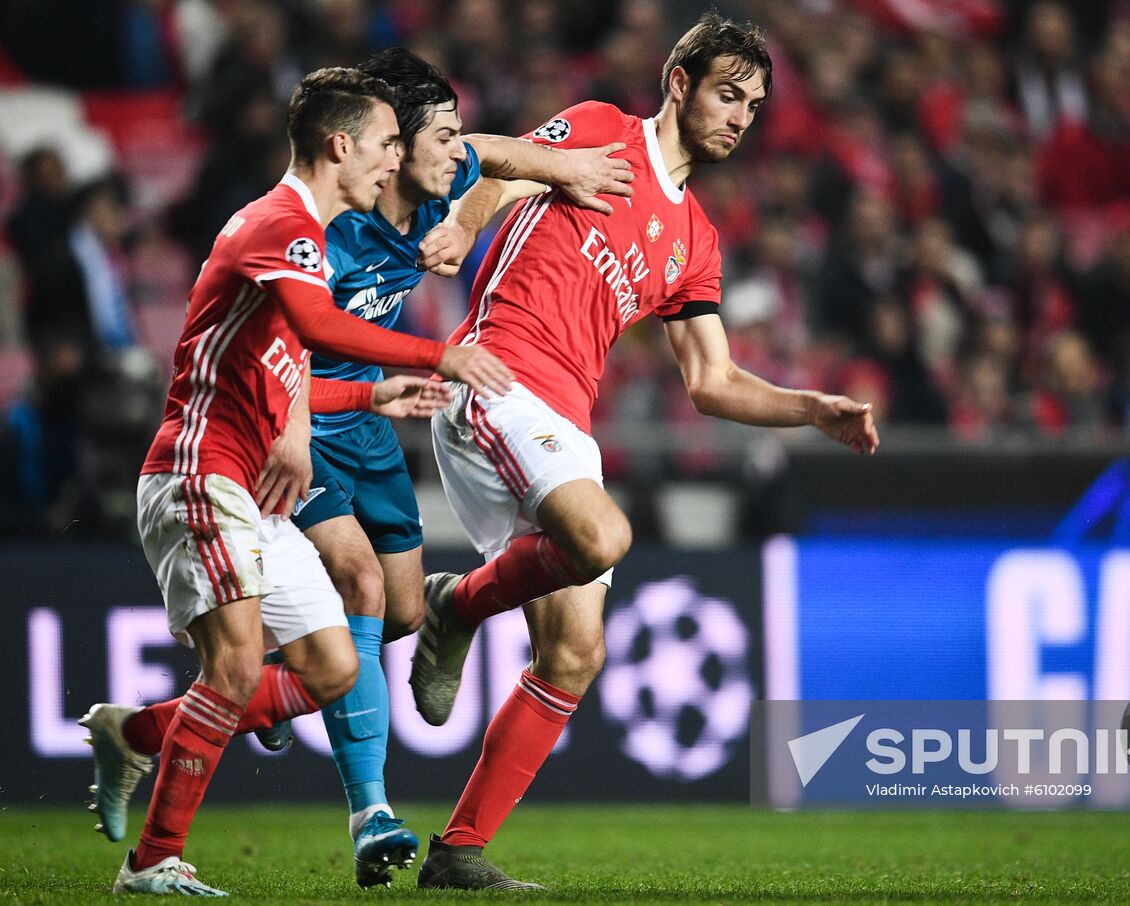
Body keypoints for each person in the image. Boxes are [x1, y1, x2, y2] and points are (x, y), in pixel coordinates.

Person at [409, 12, 878, 891]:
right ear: (679, 83)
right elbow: (500, 167)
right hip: (499, 373)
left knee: (576, 650)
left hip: (563, 419)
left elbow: (712, 380)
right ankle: (460, 607)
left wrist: (809, 407)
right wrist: (466, 227)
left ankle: (459, 851)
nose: (740, 117)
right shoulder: (602, 131)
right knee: (602, 535)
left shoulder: (696, 242)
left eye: (753, 106)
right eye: (728, 94)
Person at [77, 65, 514, 896]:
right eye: (385, 144)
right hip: (202, 471)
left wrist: (372, 395)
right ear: (340, 145)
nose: (394, 161)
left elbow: (287, 368)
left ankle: (134, 733)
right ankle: (153, 861)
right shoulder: (281, 226)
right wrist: (439, 353)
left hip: (256, 495)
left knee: (331, 668)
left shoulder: (307, 239)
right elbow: (318, 327)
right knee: (239, 665)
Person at [279, 47, 633, 888]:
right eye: (442, 136)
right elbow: (276, 347)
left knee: (402, 614)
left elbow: (502, 153)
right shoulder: (324, 229)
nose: (459, 150)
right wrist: (298, 427)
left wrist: (566, 170)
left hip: (368, 423)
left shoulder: (438, 186)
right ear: (391, 147)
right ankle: (372, 814)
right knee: (362, 584)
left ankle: (250, 685)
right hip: (298, 419)